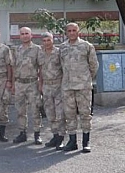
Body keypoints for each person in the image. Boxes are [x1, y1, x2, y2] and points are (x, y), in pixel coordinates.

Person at [59, 23, 98, 153]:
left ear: (78, 32)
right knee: (69, 115)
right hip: (67, 86)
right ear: (66, 32)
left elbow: (94, 65)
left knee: (85, 114)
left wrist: (86, 79)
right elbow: (61, 66)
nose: (71, 33)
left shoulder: (87, 46)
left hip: (83, 87)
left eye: (74, 30)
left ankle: (86, 142)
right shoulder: (62, 48)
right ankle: (72, 141)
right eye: (69, 31)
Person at [12, 27, 44, 145]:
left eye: (27, 34)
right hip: (20, 83)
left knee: (35, 109)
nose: (24, 36)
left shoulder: (37, 49)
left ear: (31, 35)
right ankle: (22, 133)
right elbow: (13, 67)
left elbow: (41, 67)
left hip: (32, 83)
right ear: (19, 36)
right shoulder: (16, 50)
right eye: (22, 34)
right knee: (20, 110)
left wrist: (41, 83)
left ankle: (37, 133)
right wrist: (13, 84)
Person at [39, 32, 65, 148]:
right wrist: (40, 85)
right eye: (44, 41)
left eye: (48, 40)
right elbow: (40, 70)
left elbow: (64, 68)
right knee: (50, 113)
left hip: (58, 85)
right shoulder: (40, 53)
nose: (46, 43)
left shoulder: (59, 52)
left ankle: (61, 138)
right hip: (46, 86)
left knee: (60, 114)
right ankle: (54, 136)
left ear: (52, 40)